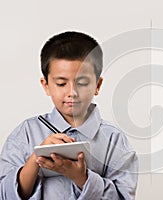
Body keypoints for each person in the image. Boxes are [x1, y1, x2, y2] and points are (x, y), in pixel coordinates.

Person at [0, 31, 138, 199]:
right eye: (61, 83)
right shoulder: (26, 133)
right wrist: (35, 160)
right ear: (46, 85)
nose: (72, 92)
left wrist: (82, 178)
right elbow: (4, 194)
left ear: (98, 85)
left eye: (82, 83)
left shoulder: (114, 139)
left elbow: (124, 196)